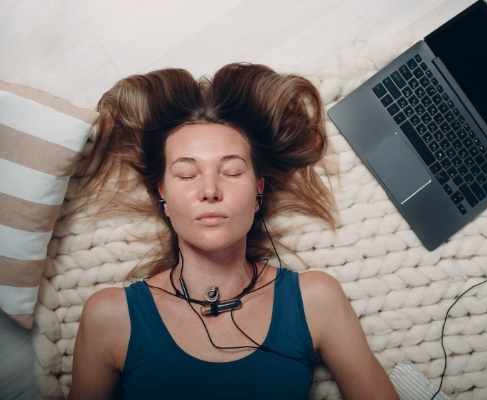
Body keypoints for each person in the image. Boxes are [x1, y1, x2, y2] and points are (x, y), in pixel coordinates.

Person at [69, 63, 399, 399]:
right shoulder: (110, 316)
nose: (210, 189)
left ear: (258, 190)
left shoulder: (314, 299)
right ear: (162, 194)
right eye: (186, 174)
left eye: (231, 171)